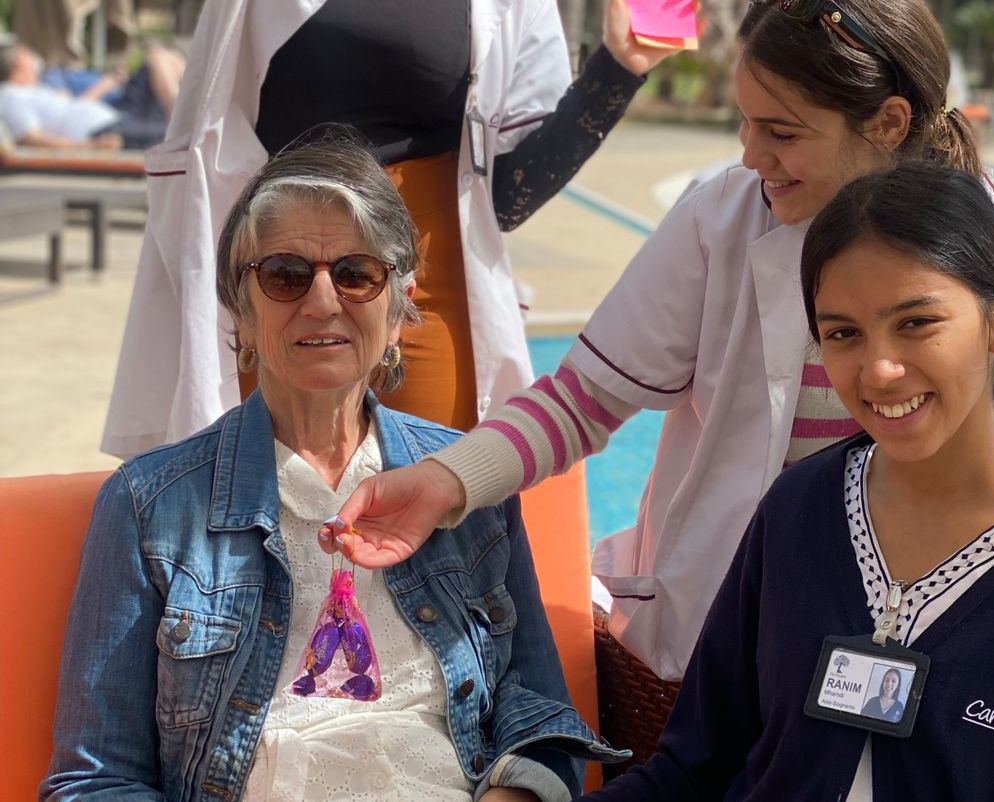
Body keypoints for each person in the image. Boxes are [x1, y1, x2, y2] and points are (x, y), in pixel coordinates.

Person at [321, 0, 994, 683]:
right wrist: (447, 482)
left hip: (929, 624)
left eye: (781, 132)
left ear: (888, 122)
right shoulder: (725, 218)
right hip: (737, 625)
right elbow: (582, 401)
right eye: (744, 125)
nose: (751, 156)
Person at [40, 137, 624, 802]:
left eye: (356, 273)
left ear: (400, 310)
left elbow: (542, 719)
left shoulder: (467, 484)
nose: (322, 302)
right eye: (286, 274)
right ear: (243, 314)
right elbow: (95, 779)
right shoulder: (150, 507)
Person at [577, 161, 994, 801]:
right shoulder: (798, 510)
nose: (879, 370)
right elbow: (691, 771)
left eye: (916, 323)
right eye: (843, 334)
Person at [100, 0, 678, 457]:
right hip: (279, 278)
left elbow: (507, 194)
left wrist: (619, 68)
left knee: (437, 525)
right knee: (264, 526)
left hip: (422, 289)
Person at [0, 41, 177, 149]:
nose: (33, 60)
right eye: (27, 56)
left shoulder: (35, 90)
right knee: (179, 135)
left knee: (159, 57)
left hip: (117, 119)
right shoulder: (11, 95)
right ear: (18, 64)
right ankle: (179, 114)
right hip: (101, 131)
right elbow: (31, 139)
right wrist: (91, 147)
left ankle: (181, 110)